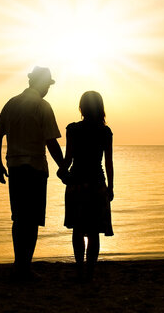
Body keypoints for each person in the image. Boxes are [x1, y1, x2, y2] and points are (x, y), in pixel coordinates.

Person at [0, 66, 64, 280]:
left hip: (14, 168)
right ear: (41, 84)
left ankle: (19, 265)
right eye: (47, 86)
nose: (48, 90)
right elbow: (51, 141)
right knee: (32, 220)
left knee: (19, 219)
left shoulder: (11, 104)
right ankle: (26, 267)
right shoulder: (42, 106)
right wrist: (63, 167)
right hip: (34, 169)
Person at [58, 91, 114, 281]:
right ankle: (90, 271)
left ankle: (80, 268)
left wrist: (61, 172)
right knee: (94, 231)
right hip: (97, 183)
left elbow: (69, 158)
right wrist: (111, 187)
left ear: (81, 107)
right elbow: (108, 163)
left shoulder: (73, 129)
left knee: (78, 229)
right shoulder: (105, 131)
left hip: (77, 182)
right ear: (100, 107)